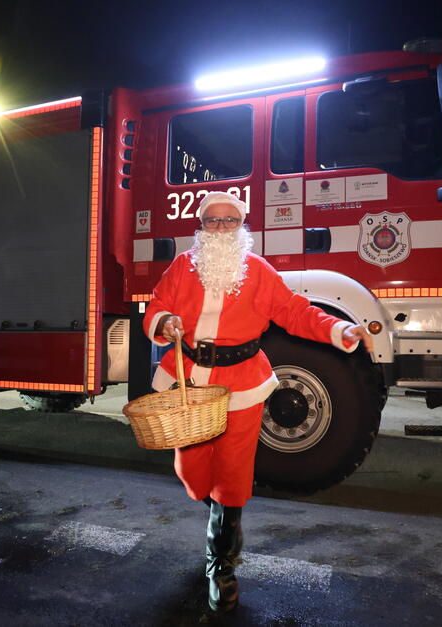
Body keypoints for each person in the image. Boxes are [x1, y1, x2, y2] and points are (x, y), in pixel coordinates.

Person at [143, 191, 373, 612]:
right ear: (201, 226)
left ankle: (221, 561)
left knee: (232, 470)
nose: (221, 228)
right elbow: (156, 306)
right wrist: (165, 320)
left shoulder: (259, 271)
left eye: (230, 221)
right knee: (192, 469)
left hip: (243, 383)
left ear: (242, 227)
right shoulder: (182, 267)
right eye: (212, 221)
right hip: (191, 379)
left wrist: (337, 329)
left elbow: (295, 311)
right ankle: (222, 514)